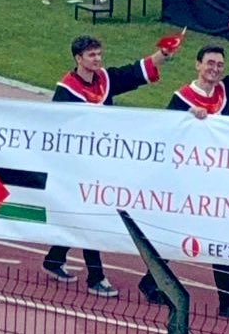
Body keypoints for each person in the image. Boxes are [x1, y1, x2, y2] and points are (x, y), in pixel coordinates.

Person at [139, 9, 229, 320]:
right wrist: (189, 119)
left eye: (219, 65)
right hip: (190, 183)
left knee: (217, 238)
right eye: (210, 63)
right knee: (195, 235)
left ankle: (159, 283)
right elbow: (165, 135)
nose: (215, 69)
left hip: (220, 181)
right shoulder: (182, 100)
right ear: (198, 65)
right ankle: (222, 300)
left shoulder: (227, 93)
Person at [43, 34, 173, 295]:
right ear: (78, 58)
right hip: (77, 166)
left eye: (99, 54)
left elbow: (132, 73)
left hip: (101, 162)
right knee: (91, 217)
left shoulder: (104, 79)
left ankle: (54, 259)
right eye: (92, 55)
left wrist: (162, 54)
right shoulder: (66, 90)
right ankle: (95, 277)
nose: (97, 59)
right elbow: (55, 126)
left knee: (86, 215)